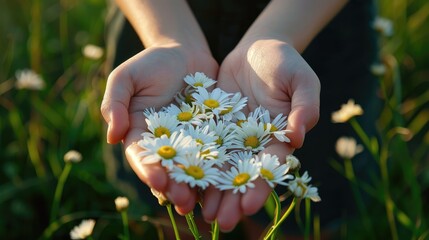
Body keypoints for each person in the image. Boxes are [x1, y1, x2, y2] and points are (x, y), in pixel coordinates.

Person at [101, 0, 380, 237]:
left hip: (313, 18)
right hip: (156, 14)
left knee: (298, 219)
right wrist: (168, 36)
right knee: (175, 196)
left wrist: (278, 32)